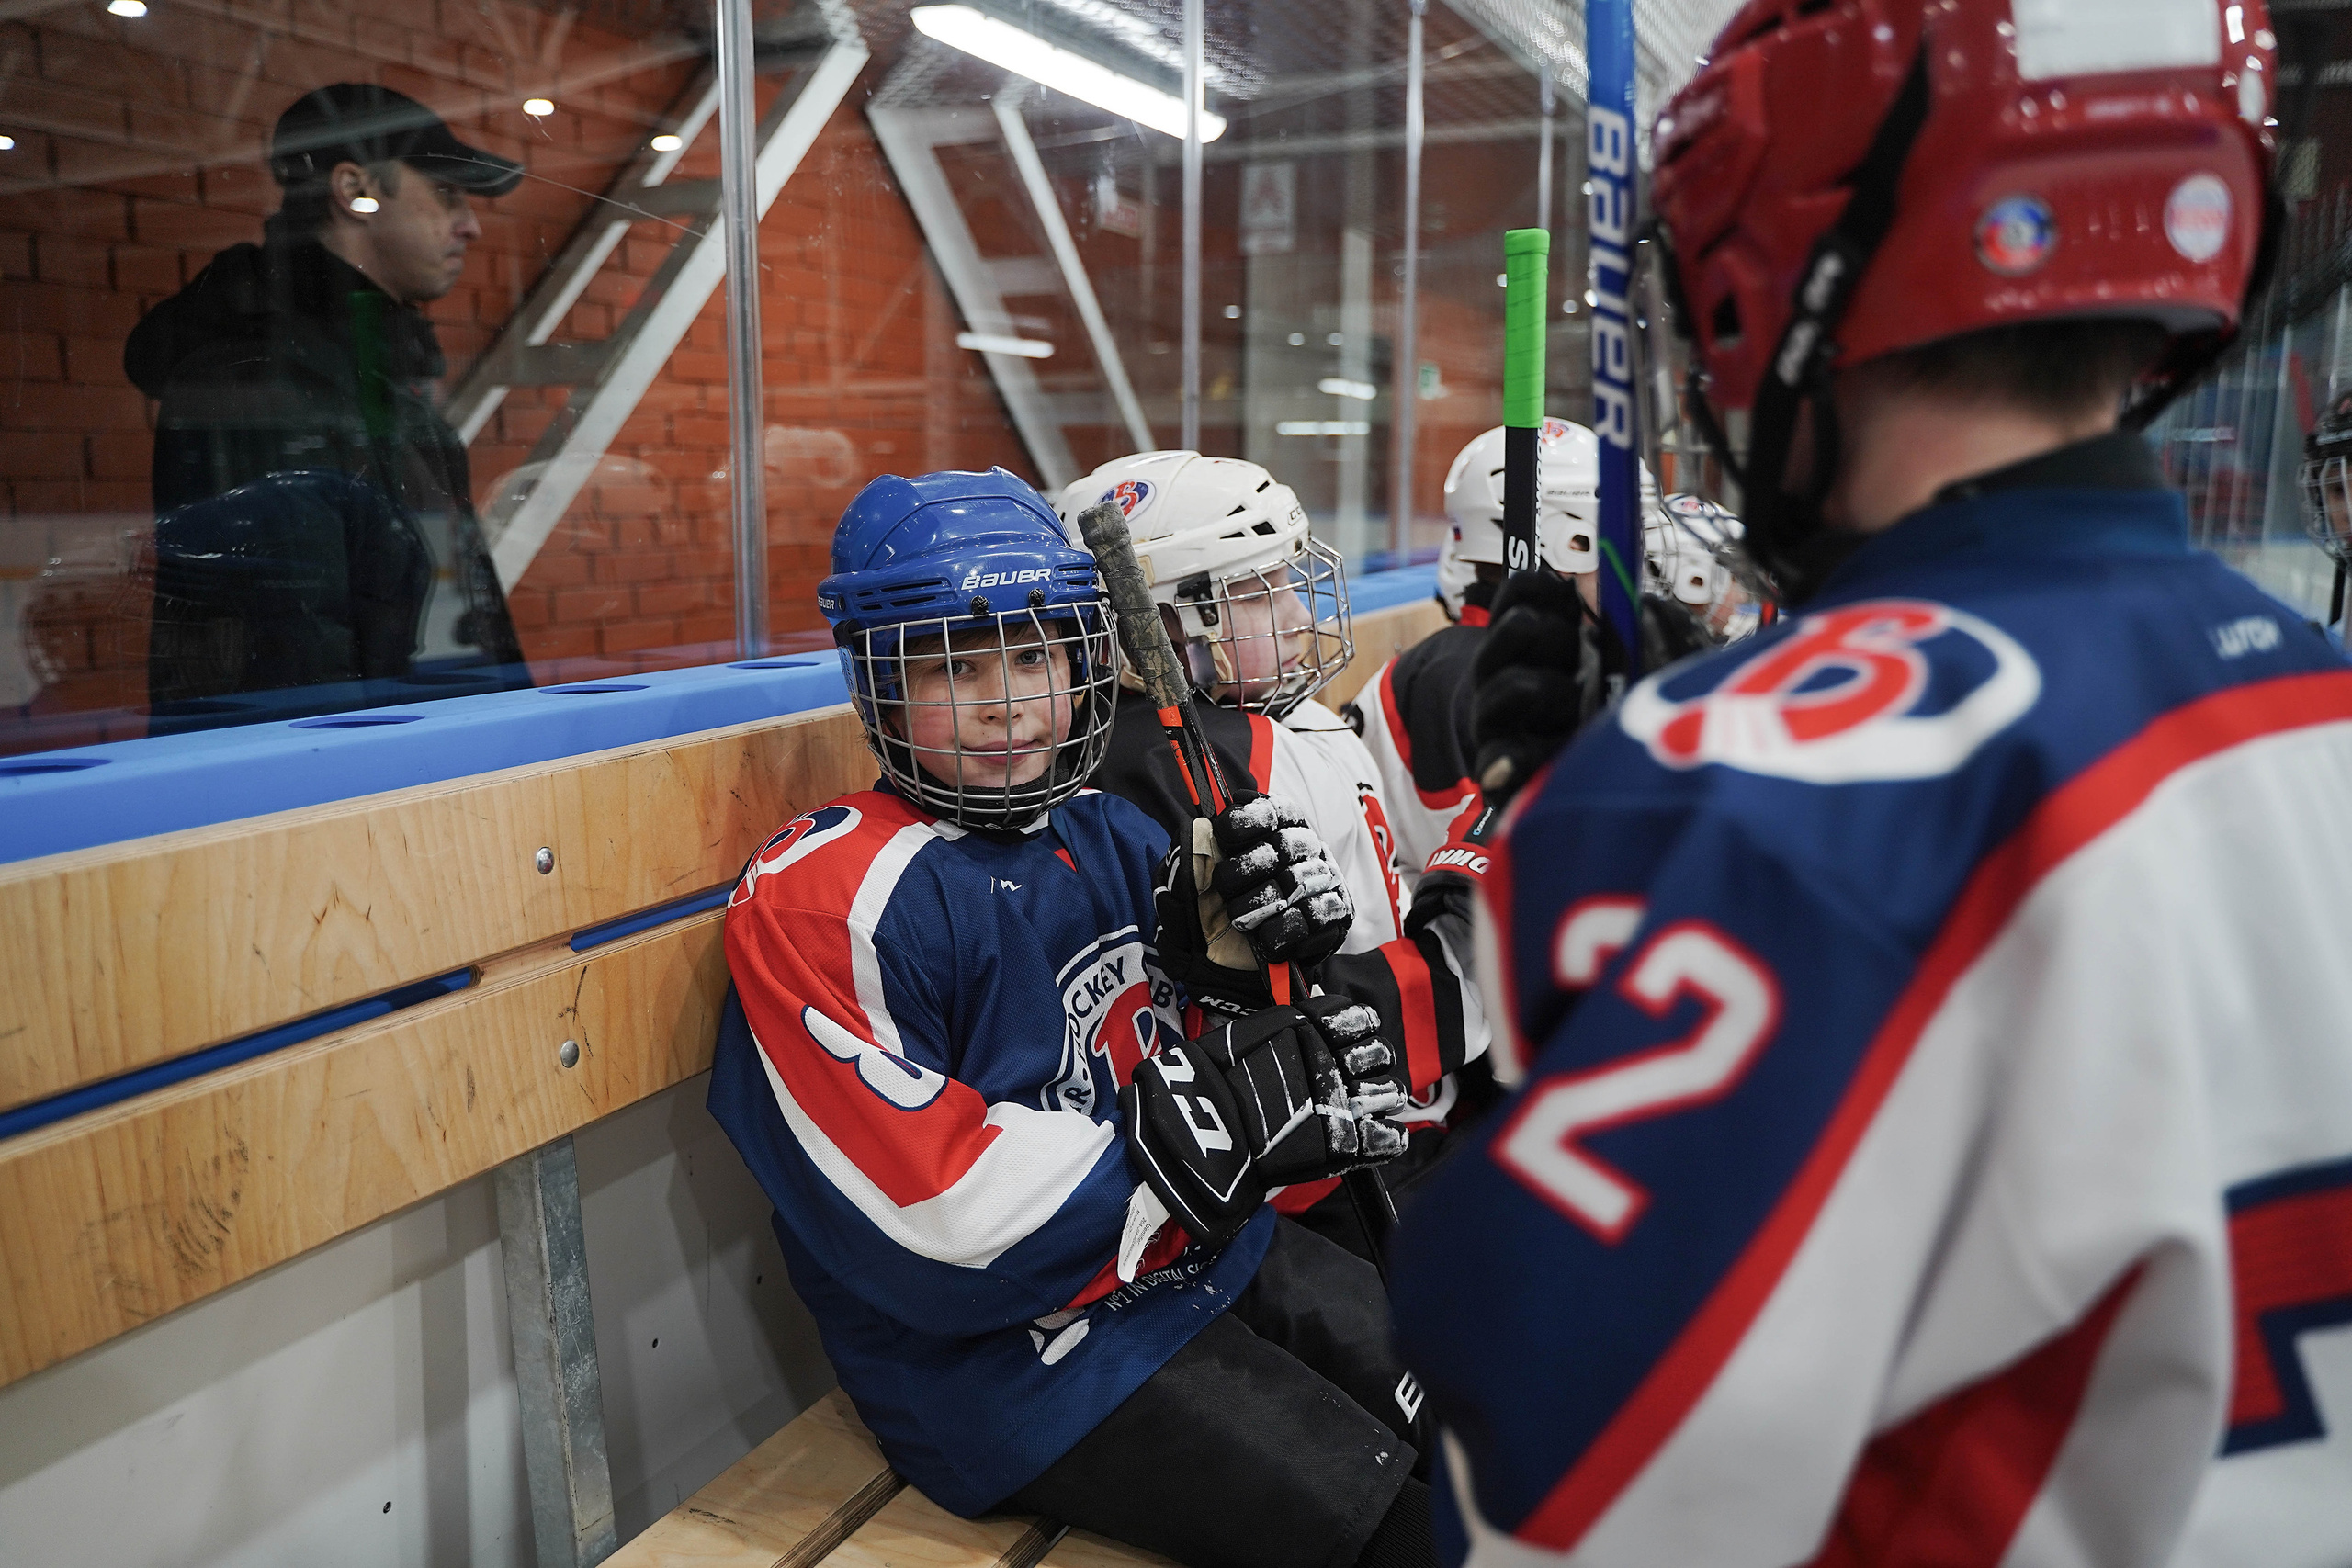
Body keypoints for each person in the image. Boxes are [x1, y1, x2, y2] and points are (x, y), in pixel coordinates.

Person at [1389, 2, 2352, 1564]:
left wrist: (1581, 914)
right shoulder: (2318, 686)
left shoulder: (1713, 799)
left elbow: (1558, 1476)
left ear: (1765, 282)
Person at [707, 468, 1438, 1568]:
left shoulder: (1115, 834)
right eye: (954, 663)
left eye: (1037, 654)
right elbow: (934, 1215)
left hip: (1202, 1260)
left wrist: (1269, 980)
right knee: (1409, 1534)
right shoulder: (821, 899)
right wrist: (1217, 1131)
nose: (1007, 700)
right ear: (877, 680)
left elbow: (1184, 1053)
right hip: (1019, 1366)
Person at [1056, 452, 1491, 1252]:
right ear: (1172, 620)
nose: (1298, 611)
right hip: (1324, 1169)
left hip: (1365, 1120)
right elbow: (1304, 999)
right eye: (1263, 591)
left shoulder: (1241, 731)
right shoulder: (1223, 764)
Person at [124, 83, 526, 704]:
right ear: (354, 191)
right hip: (357, 784)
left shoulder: (370, 367)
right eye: (445, 194)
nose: (469, 225)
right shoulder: (260, 379)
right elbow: (293, 671)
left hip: (431, 770)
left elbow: (440, 618)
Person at [1346, 423, 1702, 896]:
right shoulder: (1477, 678)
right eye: (1621, 534)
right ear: (1566, 543)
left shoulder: (1517, 661)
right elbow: (1524, 874)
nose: (1638, 561)